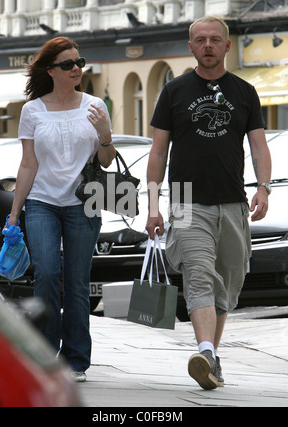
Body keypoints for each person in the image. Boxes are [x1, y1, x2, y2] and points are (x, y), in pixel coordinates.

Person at [146, 16, 272, 390]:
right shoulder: (174, 91)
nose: (207, 45)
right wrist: (153, 206)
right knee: (199, 275)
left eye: (215, 40)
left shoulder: (245, 91)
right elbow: (156, 153)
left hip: (233, 201)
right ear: (190, 47)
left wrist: (263, 187)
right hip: (185, 199)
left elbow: (259, 146)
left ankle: (210, 361)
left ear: (227, 46)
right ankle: (204, 349)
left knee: (227, 286)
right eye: (200, 40)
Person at [8, 37, 116, 382]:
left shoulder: (95, 105)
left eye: (79, 62)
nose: (76, 69)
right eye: (68, 64)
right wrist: (13, 215)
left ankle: (75, 360)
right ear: (51, 70)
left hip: (83, 204)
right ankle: (43, 354)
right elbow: (28, 164)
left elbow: (106, 160)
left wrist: (104, 134)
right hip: (42, 202)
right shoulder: (32, 110)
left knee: (77, 283)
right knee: (47, 273)